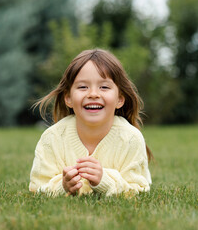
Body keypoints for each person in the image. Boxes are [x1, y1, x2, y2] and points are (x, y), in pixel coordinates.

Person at [29, 49, 152, 196]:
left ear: (120, 99)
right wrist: (63, 187)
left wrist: (104, 181)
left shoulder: (131, 139)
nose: (93, 94)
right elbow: (38, 189)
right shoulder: (52, 138)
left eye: (104, 87)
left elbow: (139, 190)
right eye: (82, 87)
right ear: (68, 98)